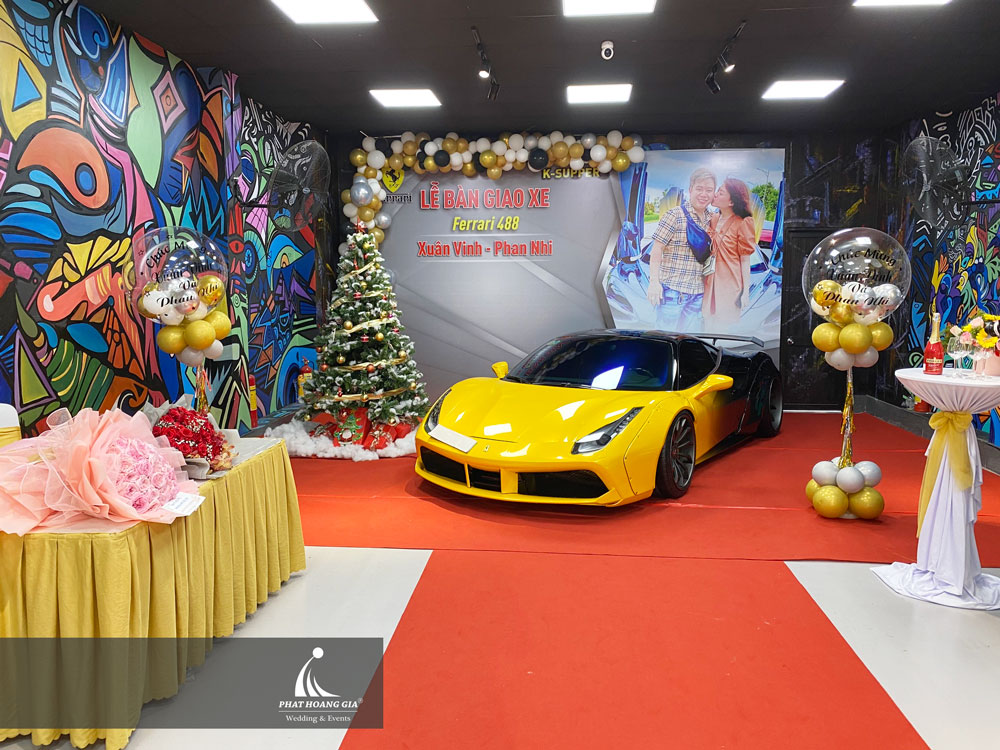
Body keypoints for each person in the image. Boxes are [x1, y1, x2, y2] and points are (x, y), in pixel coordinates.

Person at [646, 167, 716, 332]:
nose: (704, 194)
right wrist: (654, 282)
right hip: (672, 293)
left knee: (690, 342)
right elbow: (657, 249)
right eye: (699, 189)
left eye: (709, 190)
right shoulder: (674, 215)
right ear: (690, 189)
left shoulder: (712, 219)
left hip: (698, 295)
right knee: (665, 340)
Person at [703, 178, 757, 326]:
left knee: (724, 328)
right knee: (707, 325)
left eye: (720, 192)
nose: (715, 194)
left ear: (731, 202)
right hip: (709, 282)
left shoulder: (743, 222)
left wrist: (745, 292)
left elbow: (745, 260)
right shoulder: (713, 218)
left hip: (730, 286)